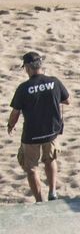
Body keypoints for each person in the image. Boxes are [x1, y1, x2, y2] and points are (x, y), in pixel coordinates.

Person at [8, 50, 70, 203]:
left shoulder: (23, 88)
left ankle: (39, 200)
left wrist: (10, 125)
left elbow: (15, 112)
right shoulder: (54, 82)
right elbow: (67, 100)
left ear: (28, 68)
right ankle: (53, 191)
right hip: (51, 131)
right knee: (50, 160)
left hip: (31, 135)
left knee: (31, 168)